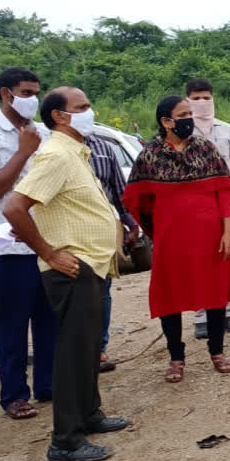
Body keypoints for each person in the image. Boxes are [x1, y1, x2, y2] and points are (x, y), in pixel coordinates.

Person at [4, 86, 128, 461]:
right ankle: (65, 441)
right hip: (73, 267)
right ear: (59, 116)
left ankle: (89, 414)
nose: (90, 112)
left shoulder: (76, 152)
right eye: (82, 107)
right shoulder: (57, 155)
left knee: (89, 347)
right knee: (74, 352)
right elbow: (15, 207)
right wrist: (48, 252)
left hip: (90, 264)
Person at [122, 95, 230, 383]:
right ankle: (176, 357)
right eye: (183, 114)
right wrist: (155, 229)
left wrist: (227, 231)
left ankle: (217, 351)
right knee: (170, 296)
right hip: (171, 238)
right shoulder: (150, 155)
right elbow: (137, 200)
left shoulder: (206, 150)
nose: (189, 118)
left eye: (190, 113)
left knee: (214, 293)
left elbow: (223, 191)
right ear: (166, 121)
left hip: (211, 236)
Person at [0, 67, 58, 419]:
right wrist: (22, 151)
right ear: (5, 94)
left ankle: (47, 384)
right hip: (8, 245)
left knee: (49, 318)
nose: (33, 100)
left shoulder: (47, 133)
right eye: (26, 93)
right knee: (13, 323)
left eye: (36, 93)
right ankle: (14, 394)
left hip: (48, 240)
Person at [186, 78, 230, 338]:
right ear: (187, 100)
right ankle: (201, 314)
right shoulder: (184, 131)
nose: (202, 102)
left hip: (229, 205)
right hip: (196, 209)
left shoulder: (227, 129)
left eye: (206, 97)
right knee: (199, 259)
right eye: (196, 98)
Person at [86, 135, 139, 372]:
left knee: (102, 290)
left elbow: (119, 191)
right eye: (79, 108)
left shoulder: (103, 147)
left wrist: (131, 223)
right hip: (68, 233)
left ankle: (98, 349)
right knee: (73, 292)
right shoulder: (49, 145)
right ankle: (72, 350)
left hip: (104, 232)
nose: (86, 113)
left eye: (87, 106)